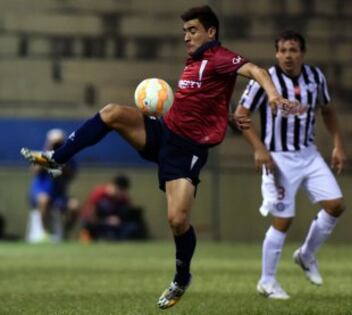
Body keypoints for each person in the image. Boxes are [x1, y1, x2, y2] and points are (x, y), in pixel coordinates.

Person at [21, 6, 298, 309]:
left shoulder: (220, 57)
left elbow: (256, 71)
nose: (186, 37)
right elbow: (205, 99)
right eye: (184, 32)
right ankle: (58, 159)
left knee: (177, 221)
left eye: (192, 30)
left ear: (211, 32)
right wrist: (226, 116)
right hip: (164, 132)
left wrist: (272, 95)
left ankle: (181, 278)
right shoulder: (195, 61)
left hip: (188, 150)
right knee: (112, 112)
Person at [236, 30, 346, 299]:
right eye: (283, 50)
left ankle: (306, 255)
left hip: (309, 154)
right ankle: (267, 281)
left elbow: (327, 110)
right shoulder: (267, 80)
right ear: (276, 54)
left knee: (335, 205)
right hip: (279, 158)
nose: (288, 55)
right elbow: (240, 114)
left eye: (293, 50)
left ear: (302, 54)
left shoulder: (315, 78)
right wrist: (259, 148)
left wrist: (338, 145)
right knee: (283, 219)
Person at [26, 128, 79, 243]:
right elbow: (34, 171)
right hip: (40, 193)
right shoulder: (41, 154)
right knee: (44, 200)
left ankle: (65, 232)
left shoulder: (68, 158)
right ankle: (44, 233)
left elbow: (72, 175)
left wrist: (62, 160)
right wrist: (48, 154)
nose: (56, 145)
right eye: (54, 143)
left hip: (58, 196)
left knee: (74, 206)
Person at [80, 175, 148, 241]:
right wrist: (106, 221)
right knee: (88, 226)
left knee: (133, 226)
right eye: (120, 190)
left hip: (115, 227)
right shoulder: (98, 194)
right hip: (98, 225)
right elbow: (89, 218)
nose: (121, 194)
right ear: (112, 185)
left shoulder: (123, 198)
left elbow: (127, 214)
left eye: (123, 191)